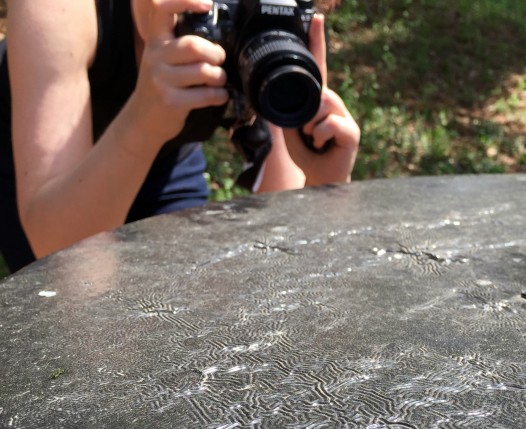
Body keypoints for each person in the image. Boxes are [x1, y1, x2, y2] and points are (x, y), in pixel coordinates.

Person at [0, 0, 359, 273]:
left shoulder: (281, 12)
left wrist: (320, 187)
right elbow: (56, 244)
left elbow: (276, 251)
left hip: (167, 160)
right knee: (83, 306)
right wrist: (143, 123)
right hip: (41, 175)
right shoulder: (58, 10)